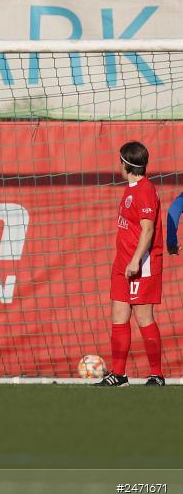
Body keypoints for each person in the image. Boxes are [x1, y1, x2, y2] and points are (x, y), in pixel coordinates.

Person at [97, 141, 164, 386]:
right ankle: (119, 374)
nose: (118, 165)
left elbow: (148, 230)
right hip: (122, 263)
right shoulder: (131, 188)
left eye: (120, 161)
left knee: (144, 317)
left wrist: (135, 260)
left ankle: (157, 375)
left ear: (126, 165)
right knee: (118, 316)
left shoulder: (145, 190)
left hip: (141, 265)